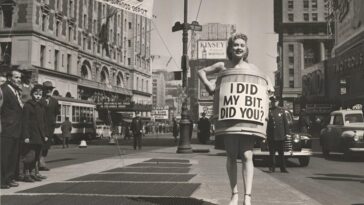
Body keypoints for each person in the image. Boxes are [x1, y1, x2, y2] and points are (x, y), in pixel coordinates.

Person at [198, 33, 273, 205]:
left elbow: (266, 82)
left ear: (246, 49)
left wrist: (269, 89)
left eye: (242, 45)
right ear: (230, 48)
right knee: (231, 155)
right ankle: (234, 194)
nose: (239, 48)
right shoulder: (222, 66)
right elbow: (201, 71)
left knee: (247, 155)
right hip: (229, 116)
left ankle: (248, 197)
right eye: (235, 45)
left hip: (247, 118)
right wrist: (209, 85)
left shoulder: (252, 69)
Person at [1, 69, 23, 189]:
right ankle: (2, 180)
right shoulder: (3, 90)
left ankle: (9, 178)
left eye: (19, 77)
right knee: (5, 155)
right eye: (16, 77)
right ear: (9, 78)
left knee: (13, 155)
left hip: (15, 129)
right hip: (7, 129)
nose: (18, 80)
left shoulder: (15, 91)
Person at [21, 84, 48, 182]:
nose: (38, 96)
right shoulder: (28, 106)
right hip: (32, 135)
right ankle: (26, 174)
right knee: (30, 156)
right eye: (36, 94)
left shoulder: (41, 106)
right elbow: (25, 122)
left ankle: (33, 173)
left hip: (40, 136)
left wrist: (45, 135)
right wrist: (26, 136)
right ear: (32, 94)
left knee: (37, 156)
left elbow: (44, 123)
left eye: (40, 94)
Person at [40, 81, 60, 171]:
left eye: (50, 89)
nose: (49, 90)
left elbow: (56, 113)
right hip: (41, 126)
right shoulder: (40, 100)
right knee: (39, 144)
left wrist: (53, 122)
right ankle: (38, 163)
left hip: (50, 127)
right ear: (43, 90)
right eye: (47, 89)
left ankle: (42, 162)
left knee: (47, 145)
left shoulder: (54, 101)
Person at [267, 96, 289, 173]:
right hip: (272, 135)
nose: (274, 103)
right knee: (272, 153)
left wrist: (286, 133)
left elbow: (285, 123)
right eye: (273, 102)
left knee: (281, 153)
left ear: (278, 102)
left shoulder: (282, 111)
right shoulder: (268, 111)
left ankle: (283, 168)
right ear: (271, 102)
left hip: (280, 135)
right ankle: (272, 168)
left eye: (275, 101)